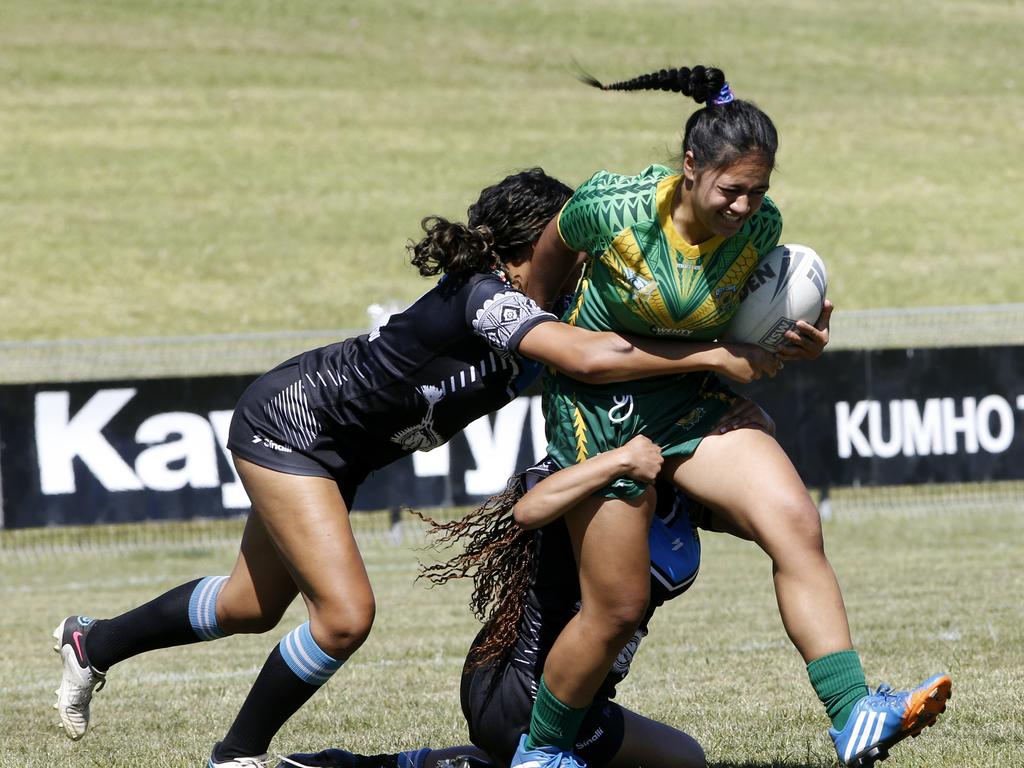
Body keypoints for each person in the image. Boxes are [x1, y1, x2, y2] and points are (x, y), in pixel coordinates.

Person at [51, 168, 786, 767]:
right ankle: (236, 756)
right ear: (533, 244)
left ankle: (96, 641)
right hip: (293, 425)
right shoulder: (486, 298)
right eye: (571, 243)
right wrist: (721, 356)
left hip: (340, 454)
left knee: (250, 605)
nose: (585, 257)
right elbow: (594, 360)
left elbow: (629, 352)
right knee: (344, 618)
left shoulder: (552, 301)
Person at [506, 65, 950, 768]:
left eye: (759, 190)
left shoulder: (761, 231)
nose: (746, 206)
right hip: (598, 413)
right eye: (731, 189)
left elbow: (752, 332)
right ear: (689, 167)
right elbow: (544, 266)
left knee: (796, 523)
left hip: (690, 405)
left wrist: (793, 342)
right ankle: (543, 751)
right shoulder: (611, 207)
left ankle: (852, 710)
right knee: (615, 611)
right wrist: (537, 335)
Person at [276, 398, 781, 768]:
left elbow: (760, 517)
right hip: (523, 686)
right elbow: (529, 507)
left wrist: (754, 428)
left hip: (573, 695)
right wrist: (621, 460)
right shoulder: (588, 472)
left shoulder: (679, 493)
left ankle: (375, 766)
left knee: (686, 758)